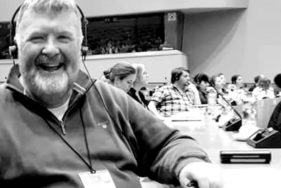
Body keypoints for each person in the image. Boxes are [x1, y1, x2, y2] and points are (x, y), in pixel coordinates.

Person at [0, 0, 223, 187]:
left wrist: (190, 163)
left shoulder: (108, 98)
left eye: (63, 38)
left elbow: (166, 143)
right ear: (15, 50)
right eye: (37, 38)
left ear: (82, 50)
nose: (50, 49)